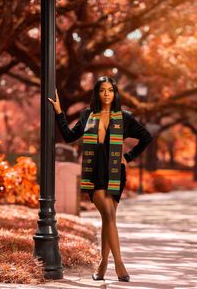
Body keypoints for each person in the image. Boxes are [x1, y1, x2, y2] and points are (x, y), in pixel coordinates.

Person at [48, 75, 153, 282]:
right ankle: (119, 264)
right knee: (108, 215)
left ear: (115, 93)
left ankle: (103, 265)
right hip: (93, 173)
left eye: (110, 90)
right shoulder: (88, 115)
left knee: (108, 219)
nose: (106, 94)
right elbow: (70, 136)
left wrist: (128, 157)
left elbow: (146, 137)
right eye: (102, 90)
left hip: (116, 173)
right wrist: (59, 112)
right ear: (97, 93)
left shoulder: (124, 117)